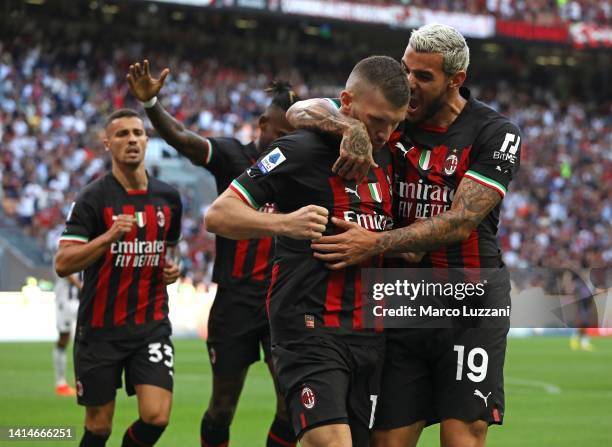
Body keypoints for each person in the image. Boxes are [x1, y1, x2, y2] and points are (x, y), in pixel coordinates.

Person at [286, 24, 522, 447]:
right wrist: (349, 128)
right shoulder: (393, 121)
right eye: (406, 70)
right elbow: (298, 111)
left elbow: (460, 221)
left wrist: (376, 243)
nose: (409, 85)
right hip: (401, 300)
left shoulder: (494, 133)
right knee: (387, 441)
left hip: (470, 300)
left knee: (462, 435)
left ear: (456, 80)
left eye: (423, 77)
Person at [206, 55, 410, 447]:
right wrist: (285, 223)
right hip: (309, 328)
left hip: (369, 334)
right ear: (346, 103)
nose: (384, 133)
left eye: (394, 123)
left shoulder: (389, 156)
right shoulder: (299, 150)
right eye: (377, 120)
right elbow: (220, 214)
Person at [127, 60, 299, 447]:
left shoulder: (297, 164)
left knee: (291, 405)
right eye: (283, 133)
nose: (288, 140)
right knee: (223, 406)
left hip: (282, 300)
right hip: (235, 300)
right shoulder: (231, 157)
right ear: (263, 126)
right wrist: (152, 103)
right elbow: (184, 139)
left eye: (295, 133)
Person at [55, 109, 182, 447]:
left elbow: (170, 249)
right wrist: (107, 238)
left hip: (150, 325)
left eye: (138, 133)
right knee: (98, 428)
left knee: (157, 416)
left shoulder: (168, 197)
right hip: (100, 330)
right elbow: (63, 262)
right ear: (107, 144)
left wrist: (173, 268)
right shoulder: (92, 199)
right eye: (122, 134)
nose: (131, 140)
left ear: (146, 139)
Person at [53, 271, 81, 396]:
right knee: (64, 339)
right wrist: (80, 286)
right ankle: (61, 383)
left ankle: (82, 381)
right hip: (64, 302)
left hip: (80, 302)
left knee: (87, 338)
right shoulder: (62, 252)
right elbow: (63, 270)